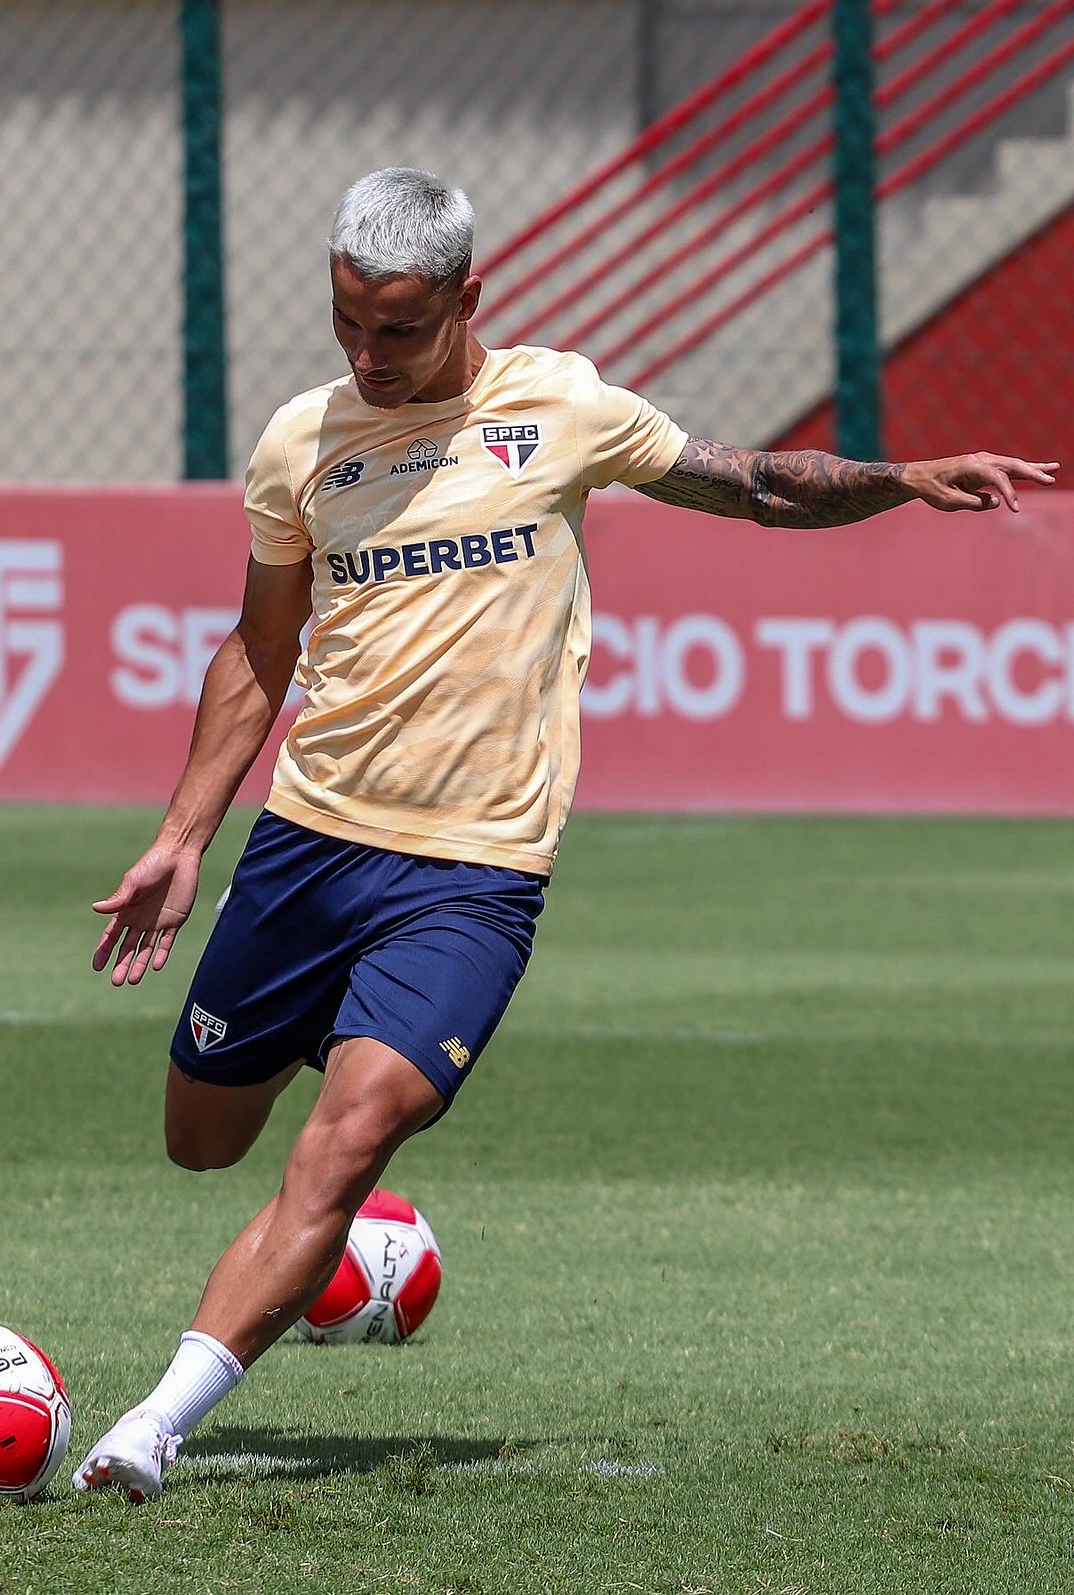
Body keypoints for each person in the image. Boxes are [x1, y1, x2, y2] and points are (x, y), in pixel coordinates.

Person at [72, 167, 1057, 1500]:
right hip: (306, 844)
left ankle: (154, 1425)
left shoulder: (562, 407)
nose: (368, 355)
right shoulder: (302, 443)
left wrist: (896, 475)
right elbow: (260, 648)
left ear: (472, 299)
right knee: (203, 1142)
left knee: (350, 1137)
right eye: (345, 323)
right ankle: (322, 1239)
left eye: (400, 330)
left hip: (474, 877)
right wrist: (186, 836)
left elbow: (753, 480)